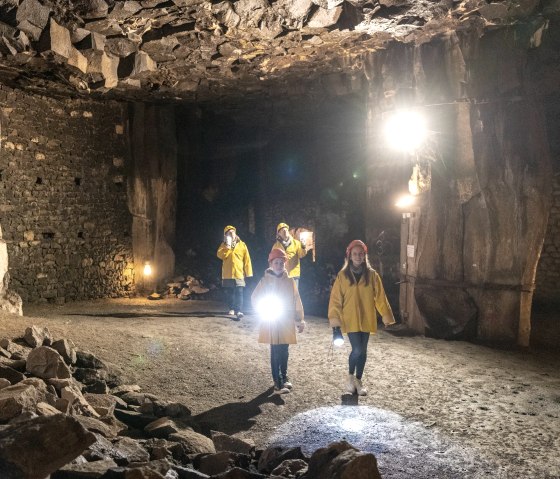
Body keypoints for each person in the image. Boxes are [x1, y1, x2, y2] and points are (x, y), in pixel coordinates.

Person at [328, 239, 396, 396]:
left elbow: (380, 297)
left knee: (363, 351)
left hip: (367, 317)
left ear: (365, 256)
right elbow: (335, 301)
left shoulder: (372, 275)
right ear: (350, 256)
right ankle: (350, 378)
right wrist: (336, 325)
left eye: (361, 254)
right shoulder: (342, 276)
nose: (358, 256)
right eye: (355, 254)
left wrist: (386, 316)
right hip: (350, 318)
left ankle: (358, 381)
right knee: (357, 349)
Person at [252, 248, 305, 395]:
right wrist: (262, 309)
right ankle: (278, 381)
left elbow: (296, 300)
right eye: (276, 262)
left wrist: (299, 319)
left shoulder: (290, 281)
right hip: (272, 320)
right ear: (271, 263)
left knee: (284, 350)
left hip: (286, 321)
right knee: (275, 350)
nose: (279, 265)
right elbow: (255, 297)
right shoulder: (264, 281)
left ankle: (284, 376)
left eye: (281, 262)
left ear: (285, 264)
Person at [217, 225, 253, 320]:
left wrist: (248, 272)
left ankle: (239, 310)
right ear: (225, 235)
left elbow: (247, 259)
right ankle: (231, 308)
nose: (231, 234)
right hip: (228, 273)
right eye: (229, 233)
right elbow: (220, 255)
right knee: (230, 292)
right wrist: (227, 247)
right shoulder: (223, 245)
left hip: (239, 272)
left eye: (233, 232)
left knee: (239, 291)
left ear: (235, 233)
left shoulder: (242, 244)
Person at [272, 223, 308, 288]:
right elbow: (272, 260)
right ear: (279, 234)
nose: (285, 231)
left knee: (294, 295)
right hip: (281, 275)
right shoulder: (276, 246)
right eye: (282, 230)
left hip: (294, 275)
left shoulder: (296, 243)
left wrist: (303, 246)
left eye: (286, 229)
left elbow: (301, 255)